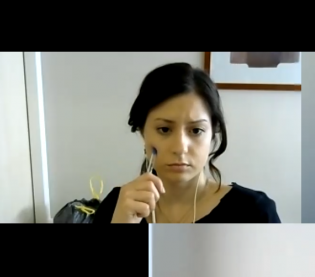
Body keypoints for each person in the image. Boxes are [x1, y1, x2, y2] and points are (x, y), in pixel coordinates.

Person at [94, 63, 281, 223]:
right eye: (164, 129)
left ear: (212, 134)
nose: (180, 148)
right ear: (143, 132)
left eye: (196, 131)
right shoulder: (117, 206)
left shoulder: (254, 212)